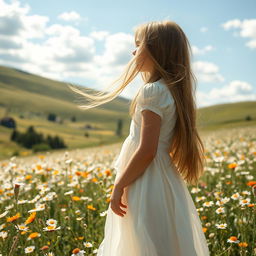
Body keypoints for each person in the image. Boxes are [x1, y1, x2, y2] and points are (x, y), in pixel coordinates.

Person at [68, 20, 210, 256]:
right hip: (163, 181)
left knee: (141, 244)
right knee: (164, 243)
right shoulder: (171, 91)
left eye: (138, 45)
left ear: (156, 49)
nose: (133, 52)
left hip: (145, 182)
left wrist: (119, 185)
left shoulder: (152, 91)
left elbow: (146, 150)